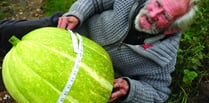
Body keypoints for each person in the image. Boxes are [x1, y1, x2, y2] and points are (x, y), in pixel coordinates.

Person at [0, 0, 197, 102]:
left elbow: (159, 92)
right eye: (157, 4)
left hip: (85, 77)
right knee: (7, 32)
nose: (153, 13)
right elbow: (95, 1)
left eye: (165, 15)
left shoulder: (163, 58)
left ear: (173, 27)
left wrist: (132, 89)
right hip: (68, 33)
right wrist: (77, 15)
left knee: (21, 78)